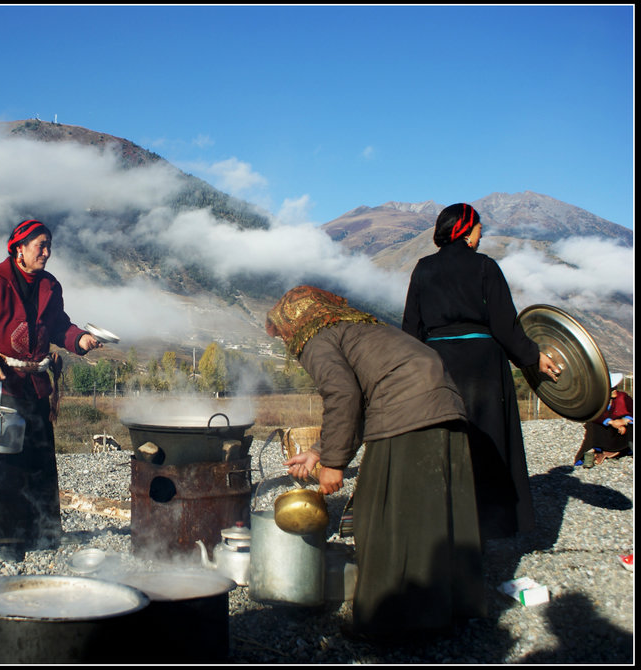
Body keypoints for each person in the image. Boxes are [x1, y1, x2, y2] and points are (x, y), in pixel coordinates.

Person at [268, 286, 485, 639]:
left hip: (407, 407)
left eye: (282, 335)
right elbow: (361, 397)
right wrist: (319, 451)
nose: (286, 343)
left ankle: (390, 623)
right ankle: (453, 610)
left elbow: (344, 395)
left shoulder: (316, 338)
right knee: (435, 512)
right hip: (442, 401)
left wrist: (334, 464)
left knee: (380, 514)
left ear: (293, 322)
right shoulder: (356, 328)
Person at [401, 203, 560, 541]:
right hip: (484, 366)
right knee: (489, 440)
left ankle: (443, 520)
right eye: (478, 229)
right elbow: (505, 325)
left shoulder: (423, 269)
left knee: (444, 437)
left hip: (439, 364)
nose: (481, 234)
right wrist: (533, 356)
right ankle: (490, 523)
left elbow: (411, 328)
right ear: (466, 232)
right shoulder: (485, 267)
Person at [0, 219, 102, 559]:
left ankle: (40, 532)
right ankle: (2, 539)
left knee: (37, 459)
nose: (46, 252)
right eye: (40, 246)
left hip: (35, 387)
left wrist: (80, 339)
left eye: (49, 246)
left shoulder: (50, 285)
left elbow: (59, 326)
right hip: (1, 383)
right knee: (2, 465)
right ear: (18, 248)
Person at [574, 373, 633, 466]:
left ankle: (626, 449)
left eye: (615, 388)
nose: (615, 390)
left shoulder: (623, 397)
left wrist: (624, 421)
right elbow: (595, 415)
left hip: (621, 434)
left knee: (631, 426)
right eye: (612, 389)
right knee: (593, 426)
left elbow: (632, 410)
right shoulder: (596, 401)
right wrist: (611, 422)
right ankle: (595, 453)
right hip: (604, 434)